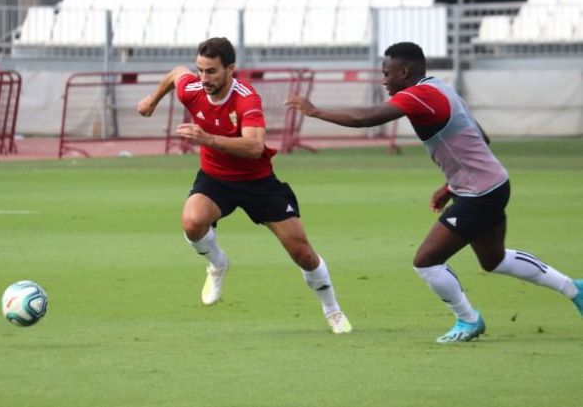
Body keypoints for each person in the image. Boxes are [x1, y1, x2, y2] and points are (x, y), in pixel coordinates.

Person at [285, 41, 583, 343]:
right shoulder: (441, 88)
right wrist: (452, 184)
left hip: (478, 193)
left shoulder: (420, 96)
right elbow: (481, 136)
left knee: (426, 260)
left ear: (405, 71)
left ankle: (468, 320)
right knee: (493, 260)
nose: (384, 80)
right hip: (492, 184)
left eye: (387, 74)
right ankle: (575, 289)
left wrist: (316, 111)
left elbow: (366, 118)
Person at [137, 37, 352, 334]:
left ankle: (333, 310)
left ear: (231, 69)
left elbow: (254, 146)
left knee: (302, 252)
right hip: (215, 179)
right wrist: (152, 100)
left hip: (258, 182)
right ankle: (218, 263)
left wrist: (208, 139)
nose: (203, 78)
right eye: (200, 70)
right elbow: (176, 73)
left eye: (211, 71)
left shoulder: (246, 98)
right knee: (192, 222)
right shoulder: (194, 90)